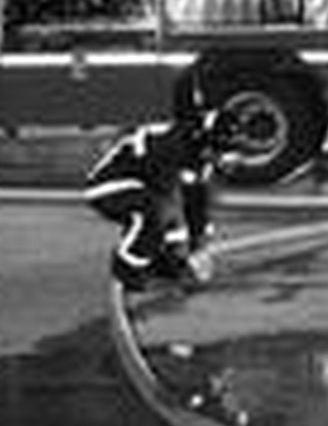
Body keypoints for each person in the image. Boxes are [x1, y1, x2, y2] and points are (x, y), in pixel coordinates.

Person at [84, 102, 229, 292]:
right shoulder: (172, 145)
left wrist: (197, 246)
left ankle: (165, 266)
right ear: (205, 139)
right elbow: (174, 199)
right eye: (218, 149)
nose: (221, 157)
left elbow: (197, 204)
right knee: (154, 211)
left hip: (142, 184)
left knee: (165, 213)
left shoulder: (196, 150)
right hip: (108, 184)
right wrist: (193, 250)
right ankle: (128, 272)